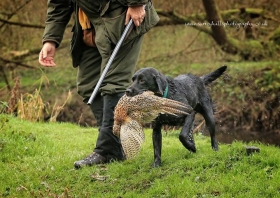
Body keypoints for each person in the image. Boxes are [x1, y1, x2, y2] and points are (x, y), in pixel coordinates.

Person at [38, 0, 159, 169]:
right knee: (89, 84)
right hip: (89, 23)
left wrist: (137, 3)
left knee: (113, 82)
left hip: (121, 16)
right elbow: (59, 3)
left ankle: (108, 151)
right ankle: (116, 144)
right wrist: (50, 39)